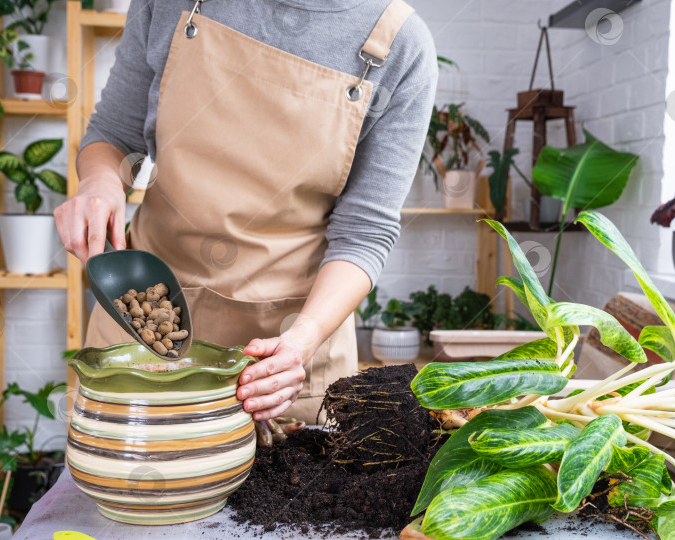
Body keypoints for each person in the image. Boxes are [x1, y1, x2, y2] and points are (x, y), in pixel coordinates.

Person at [54, 0, 438, 424]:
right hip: (146, 314)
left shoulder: (399, 44)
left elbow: (364, 232)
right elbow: (113, 134)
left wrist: (302, 340)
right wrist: (100, 183)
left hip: (286, 353)